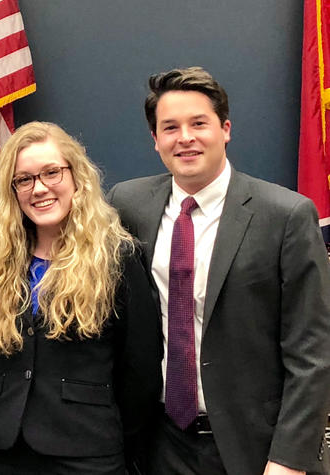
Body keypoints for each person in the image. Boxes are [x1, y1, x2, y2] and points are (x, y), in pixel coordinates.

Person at [107, 66, 330, 475]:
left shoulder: (286, 215)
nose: (185, 137)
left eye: (199, 123)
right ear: (155, 140)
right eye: (170, 127)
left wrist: (289, 460)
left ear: (225, 129)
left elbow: (313, 352)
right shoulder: (128, 204)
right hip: (159, 442)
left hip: (255, 449)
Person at [0, 121, 162, 474]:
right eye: (24, 179)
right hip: (5, 453)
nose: (39, 189)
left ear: (76, 177)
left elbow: (141, 369)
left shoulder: (116, 257)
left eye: (51, 173)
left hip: (86, 450)